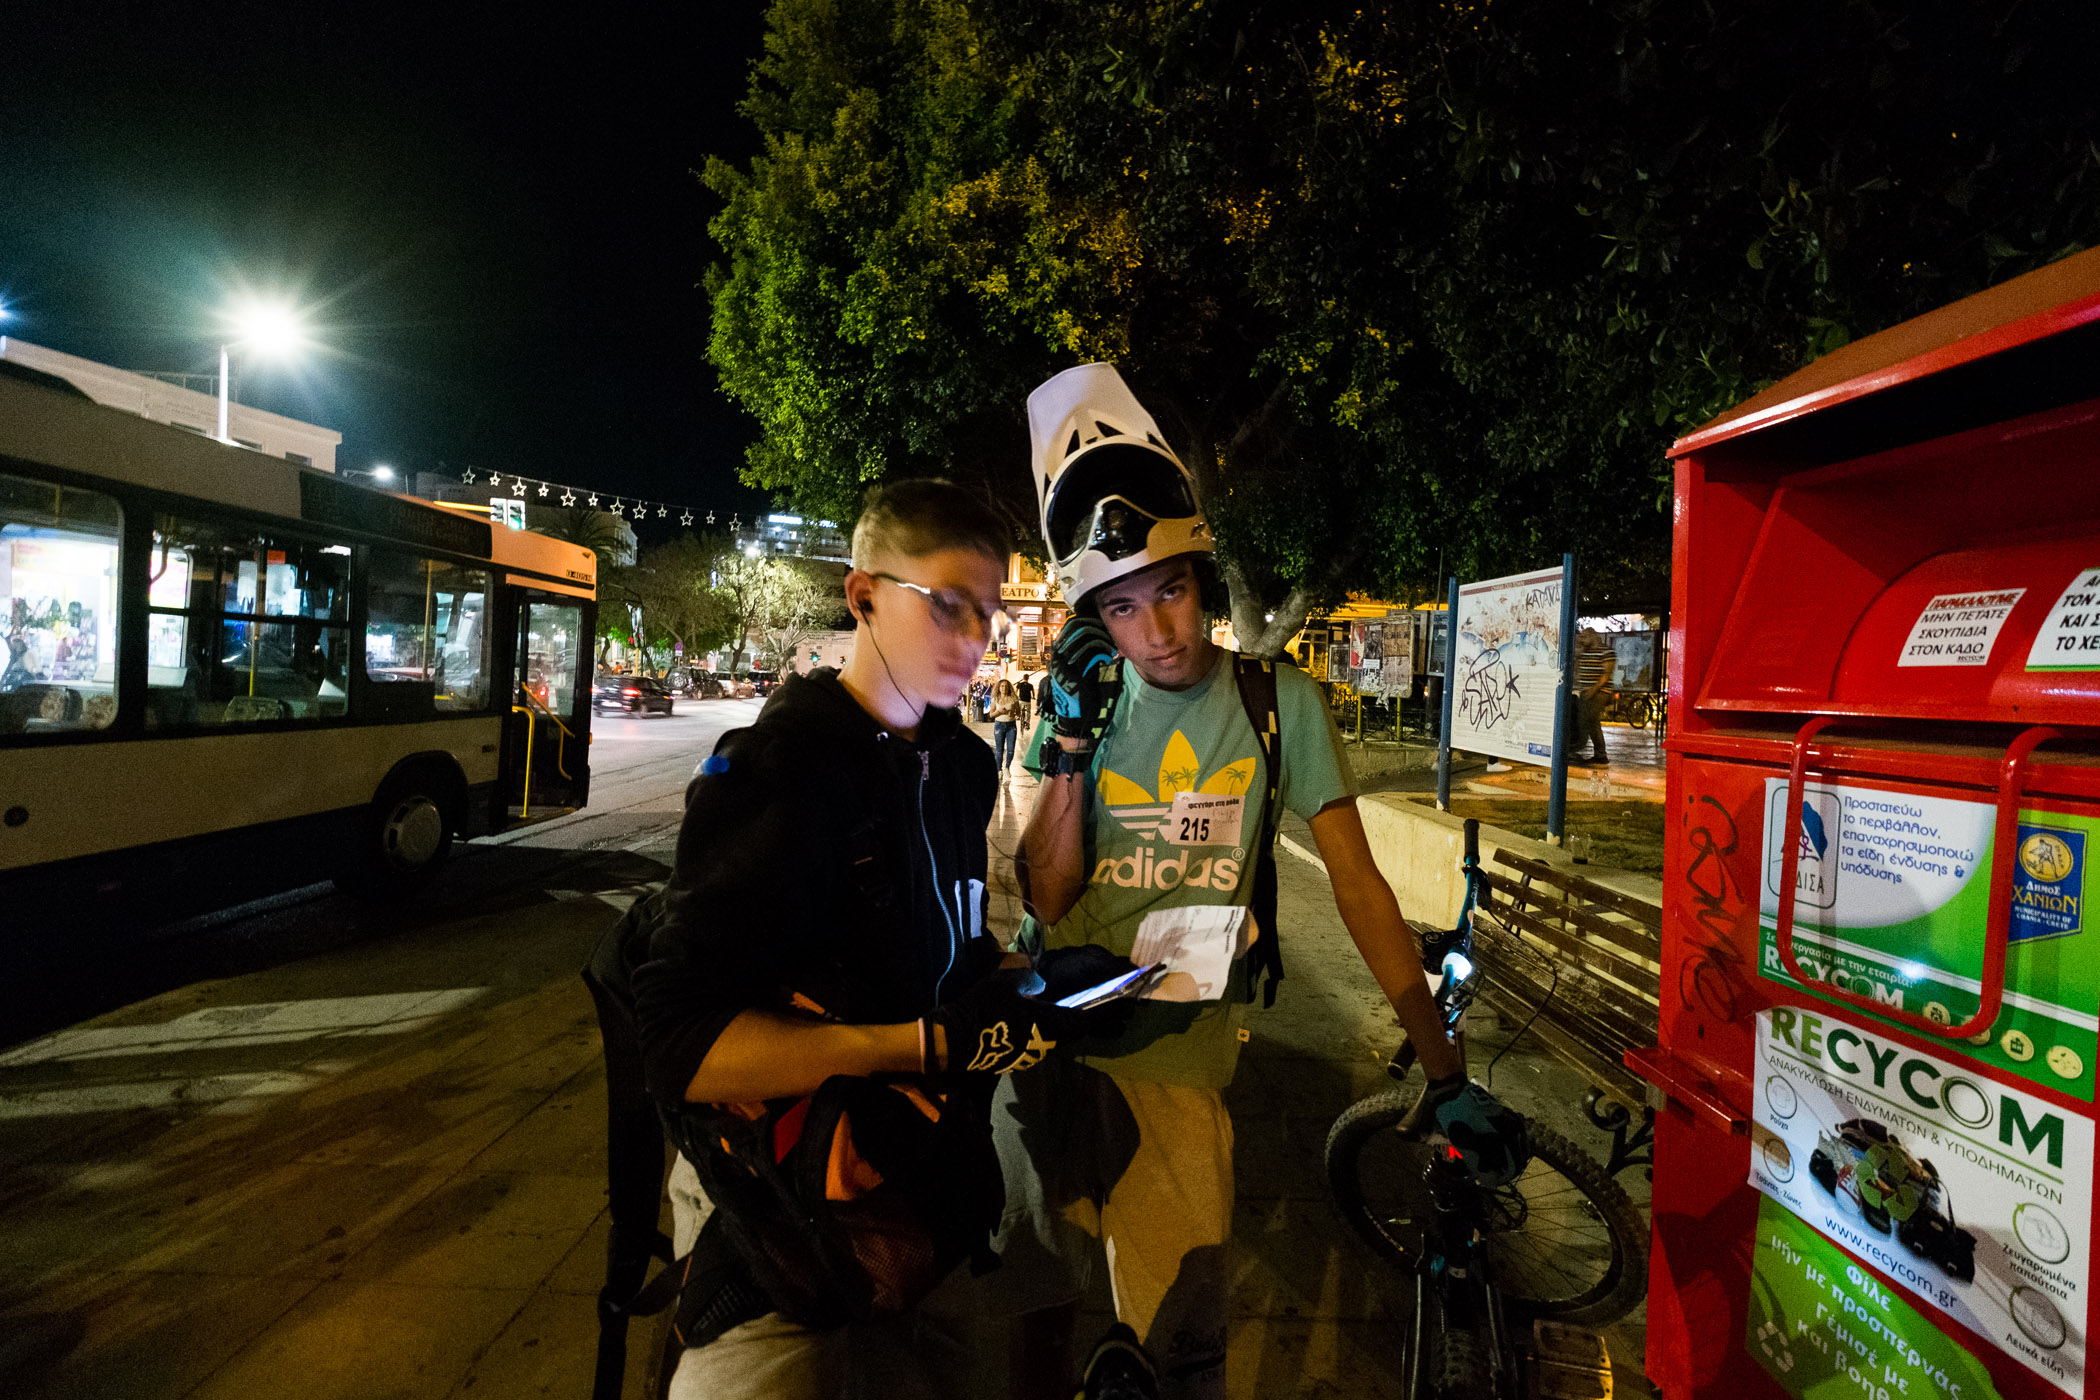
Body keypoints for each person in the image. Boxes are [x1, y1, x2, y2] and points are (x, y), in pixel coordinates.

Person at [993, 364, 1528, 1400]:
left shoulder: (1279, 704)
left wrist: (1443, 1066)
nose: (1159, 631)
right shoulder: (1080, 708)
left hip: (1181, 1071)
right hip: (1051, 1056)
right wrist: (1066, 747)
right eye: (1123, 609)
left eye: (1171, 591)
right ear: (1095, 619)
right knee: (1038, 1327)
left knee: (1182, 1352)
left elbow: (1360, 888)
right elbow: (1047, 898)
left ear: (1201, 577)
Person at [628, 478, 1128, 1400]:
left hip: (921, 1203)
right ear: (863, 596)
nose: (976, 639)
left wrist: (1031, 983)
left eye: (989, 612)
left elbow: (939, 955)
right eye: (947, 605)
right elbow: (676, 1044)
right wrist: (923, 1045)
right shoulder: (782, 769)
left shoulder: (961, 764)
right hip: (779, 1220)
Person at [1573, 626, 1614, 765]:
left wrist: (1594, 689)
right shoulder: (1584, 651)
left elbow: (1606, 674)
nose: (1582, 639)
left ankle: (1601, 754)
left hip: (1600, 692)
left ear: (1593, 637)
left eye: (1585, 637)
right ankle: (1594, 752)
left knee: (1591, 720)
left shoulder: (1606, 651)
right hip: (1585, 691)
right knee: (1586, 721)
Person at [989, 677, 1021, 777]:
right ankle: (999, 770)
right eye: (1002, 686)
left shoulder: (1013, 698)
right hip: (999, 725)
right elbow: (991, 714)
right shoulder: (995, 699)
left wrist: (1013, 713)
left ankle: (1007, 767)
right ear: (999, 688)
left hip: (1011, 726)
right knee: (999, 750)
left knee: (1011, 749)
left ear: (1009, 688)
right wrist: (999, 712)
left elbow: (1018, 713)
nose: (1004, 688)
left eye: (1006, 686)